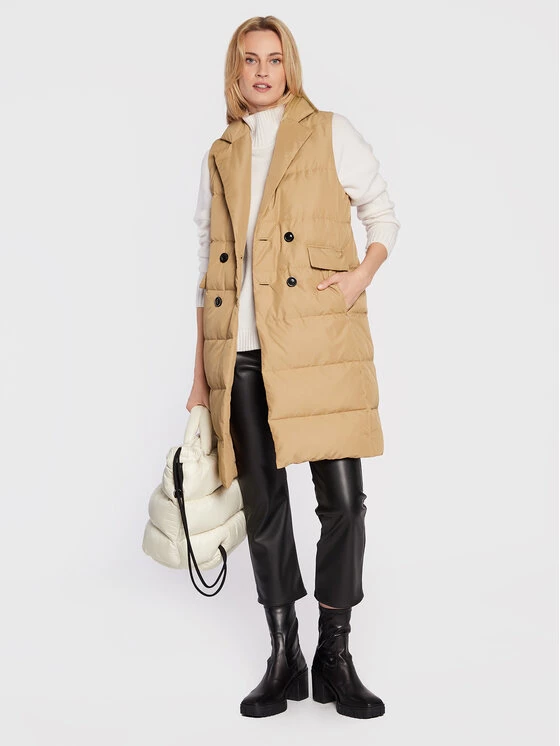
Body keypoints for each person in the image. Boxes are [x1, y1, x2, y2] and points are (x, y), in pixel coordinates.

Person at [186, 15, 400, 720]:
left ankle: (336, 654)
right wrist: (199, 378)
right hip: (242, 355)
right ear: (235, 70)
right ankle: (285, 656)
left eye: (273, 59)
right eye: (249, 60)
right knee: (265, 508)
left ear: (290, 66)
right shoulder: (221, 152)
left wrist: (358, 278)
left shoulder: (329, 131)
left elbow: (382, 215)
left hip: (318, 346)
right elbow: (207, 270)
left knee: (344, 503)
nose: (262, 71)